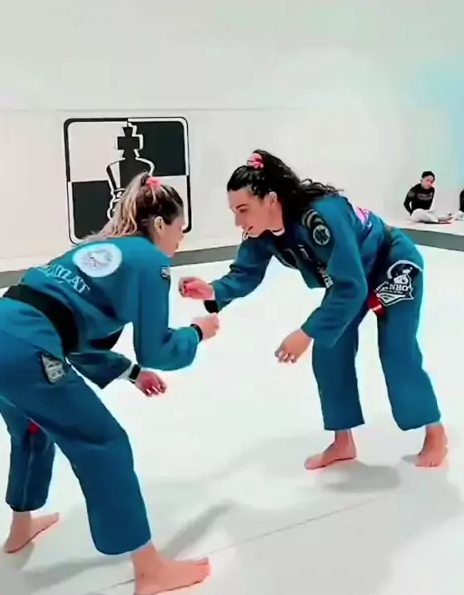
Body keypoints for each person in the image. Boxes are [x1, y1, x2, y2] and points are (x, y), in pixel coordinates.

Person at [0, 173, 218, 595]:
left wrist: (130, 374)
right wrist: (196, 333)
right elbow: (156, 348)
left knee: (32, 429)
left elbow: (70, 332)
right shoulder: (151, 261)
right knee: (106, 443)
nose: (180, 241)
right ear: (159, 224)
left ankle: (20, 527)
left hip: (4, 329)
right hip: (28, 348)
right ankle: (149, 570)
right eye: (179, 229)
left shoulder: (94, 249)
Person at [180, 151, 448, 470]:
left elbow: (351, 287)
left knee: (397, 350)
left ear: (271, 200)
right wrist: (212, 291)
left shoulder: (322, 215)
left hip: (390, 265)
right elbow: (245, 273)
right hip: (350, 277)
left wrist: (306, 332)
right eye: (234, 212)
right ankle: (342, 441)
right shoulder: (260, 232)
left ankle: (435, 432)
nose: (239, 221)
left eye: (243, 209)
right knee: (329, 349)